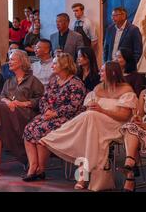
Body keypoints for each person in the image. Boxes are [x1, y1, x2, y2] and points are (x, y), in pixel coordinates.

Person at [41, 62, 136, 191]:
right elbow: (88, 108)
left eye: (102, 71)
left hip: (116, 126)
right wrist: (95, 110)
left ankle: (60, 138)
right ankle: (84, 176)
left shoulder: (126, 89)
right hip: (94, 127)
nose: (99, 73)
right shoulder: (98, 89)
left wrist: (102, 110)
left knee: (90, 117)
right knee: (89, 131)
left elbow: (124, 117)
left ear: (112, 73)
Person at [22, 53, 86, 182]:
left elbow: (74, 106)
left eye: (56, 63)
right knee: (29, 128)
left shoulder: (76, 83)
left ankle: (41, 169)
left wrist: (55, 113)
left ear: (65, 65)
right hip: (49, 115)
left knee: (41, 130)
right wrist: (47, 111)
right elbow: (43, 99)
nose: (53, 65)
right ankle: (33, 166)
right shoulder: (53, 80)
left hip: (68, 118)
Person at [120, 89, 146, 192]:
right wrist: (137, 118)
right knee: (130, 126)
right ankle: (130, 162)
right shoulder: (144, 92)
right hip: (143, 129)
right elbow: (140, 114)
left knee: (134, 133)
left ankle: (130, 175)